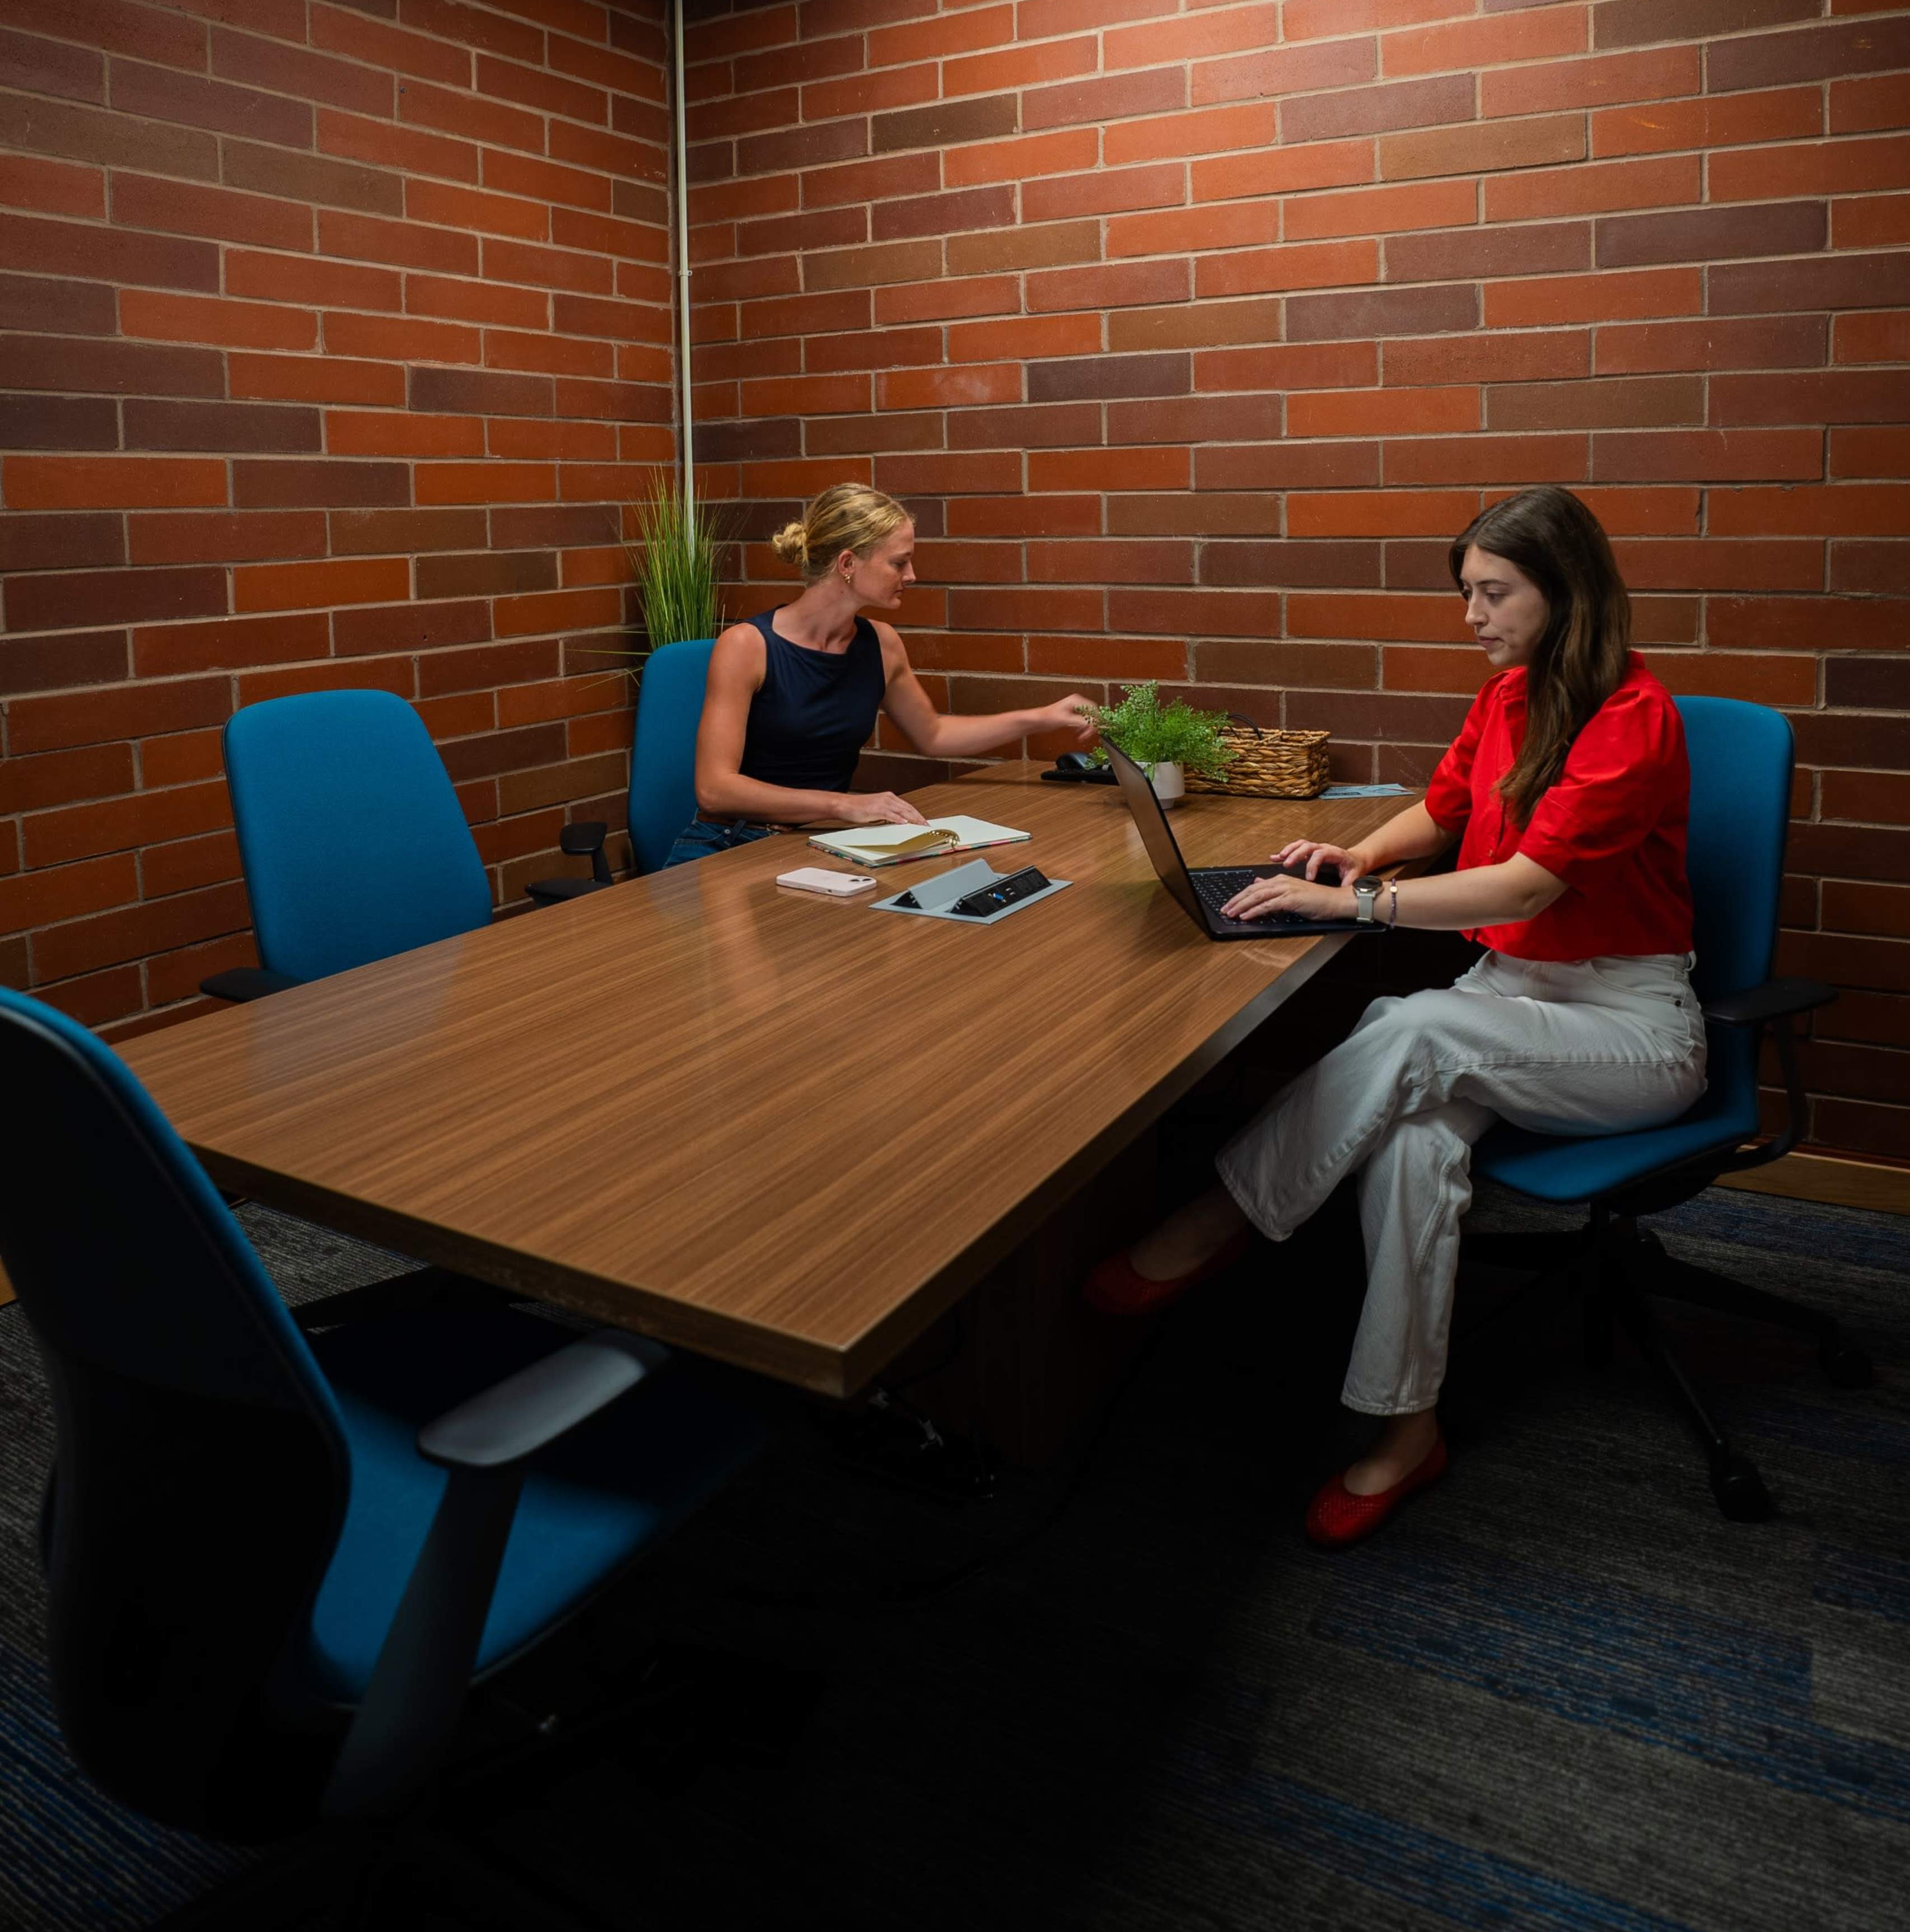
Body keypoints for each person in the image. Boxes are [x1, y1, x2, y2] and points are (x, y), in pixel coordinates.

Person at [1083, 483, 1705, 1550]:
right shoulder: (1507, 695)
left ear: (1568, 590)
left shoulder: (1632, 720)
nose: (1474, 616)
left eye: (1495, 593)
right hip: (1504, 1004)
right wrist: (1360, 853)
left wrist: (1356, 904)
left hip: (1629, 1028)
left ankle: (1221, 1214)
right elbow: (1446, 804)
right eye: (1468, 593)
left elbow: (1519, 888)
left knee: (1408, 1022)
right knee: (1411, 1143)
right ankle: (1405, 1428)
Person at [665, 481, 1096, 864]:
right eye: (898, 562)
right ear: (848, 563)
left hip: (815, 844)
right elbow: (715, 789)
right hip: (725, 845)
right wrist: (842, 806)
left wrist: (1044, 717)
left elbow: (934, 734)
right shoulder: (746, 646)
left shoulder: (882, 644)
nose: (911, 575)